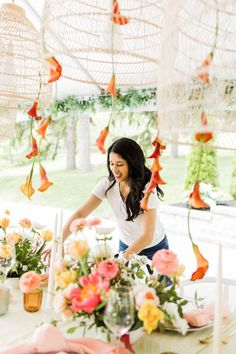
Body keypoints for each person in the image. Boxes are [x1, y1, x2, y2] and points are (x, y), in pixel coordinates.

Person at [62, 137, 169, 261]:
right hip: (126, 246)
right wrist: (58, 242)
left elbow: (147, 237)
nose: (114, 169)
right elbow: (80, 214)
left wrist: (121, 258)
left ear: (132, 164)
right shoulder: (107, 186)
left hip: (154, 249)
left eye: (120, 164)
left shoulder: (148, 189)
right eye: (111, 163)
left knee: (158, 281)